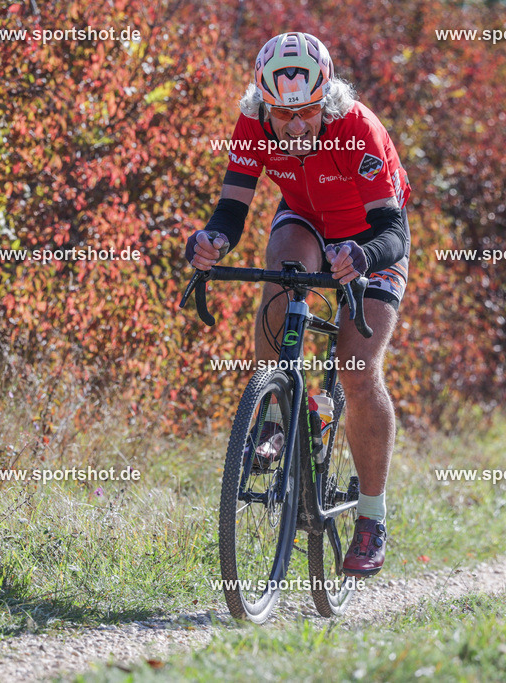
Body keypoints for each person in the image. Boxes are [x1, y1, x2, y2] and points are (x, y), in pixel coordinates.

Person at [185, 32, 411, 576]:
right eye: (281, 113)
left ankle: (372, 518)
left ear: (326, 99)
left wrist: (361, 255)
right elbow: (231, 209)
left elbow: (393, 231)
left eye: (307, 112)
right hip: (306, 220)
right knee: (281, 274)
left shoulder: (358, 127)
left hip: (370, 238)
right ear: (263, 101)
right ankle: (278, 411)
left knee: (357, 372)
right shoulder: (252, 124)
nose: (294, 126)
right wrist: (211, 241)